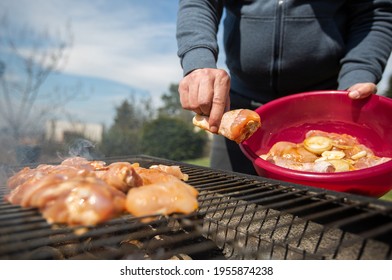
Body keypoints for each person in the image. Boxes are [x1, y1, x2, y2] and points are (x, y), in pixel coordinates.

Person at [176, 0, 392, 175]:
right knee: (225, 211)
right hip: (238, 113)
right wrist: (198, 60)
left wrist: (359, 72)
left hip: (323, 110)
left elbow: (374, 12)